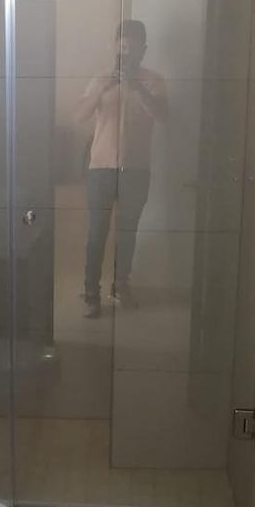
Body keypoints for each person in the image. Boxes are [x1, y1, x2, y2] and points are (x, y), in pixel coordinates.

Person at [74, 20, 167, 318]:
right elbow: (79, 115)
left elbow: (163, 116)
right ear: (115, 47)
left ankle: (120, 286)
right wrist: (102, 89)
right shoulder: (100, 79)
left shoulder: (154, 81)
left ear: (143, 50)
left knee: (127, 232)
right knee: (96, 233)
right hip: (100, 169)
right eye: (122, 46)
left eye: (133, 48)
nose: (126, 53)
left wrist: (136, 86)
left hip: (136, 170)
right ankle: (91, 292)